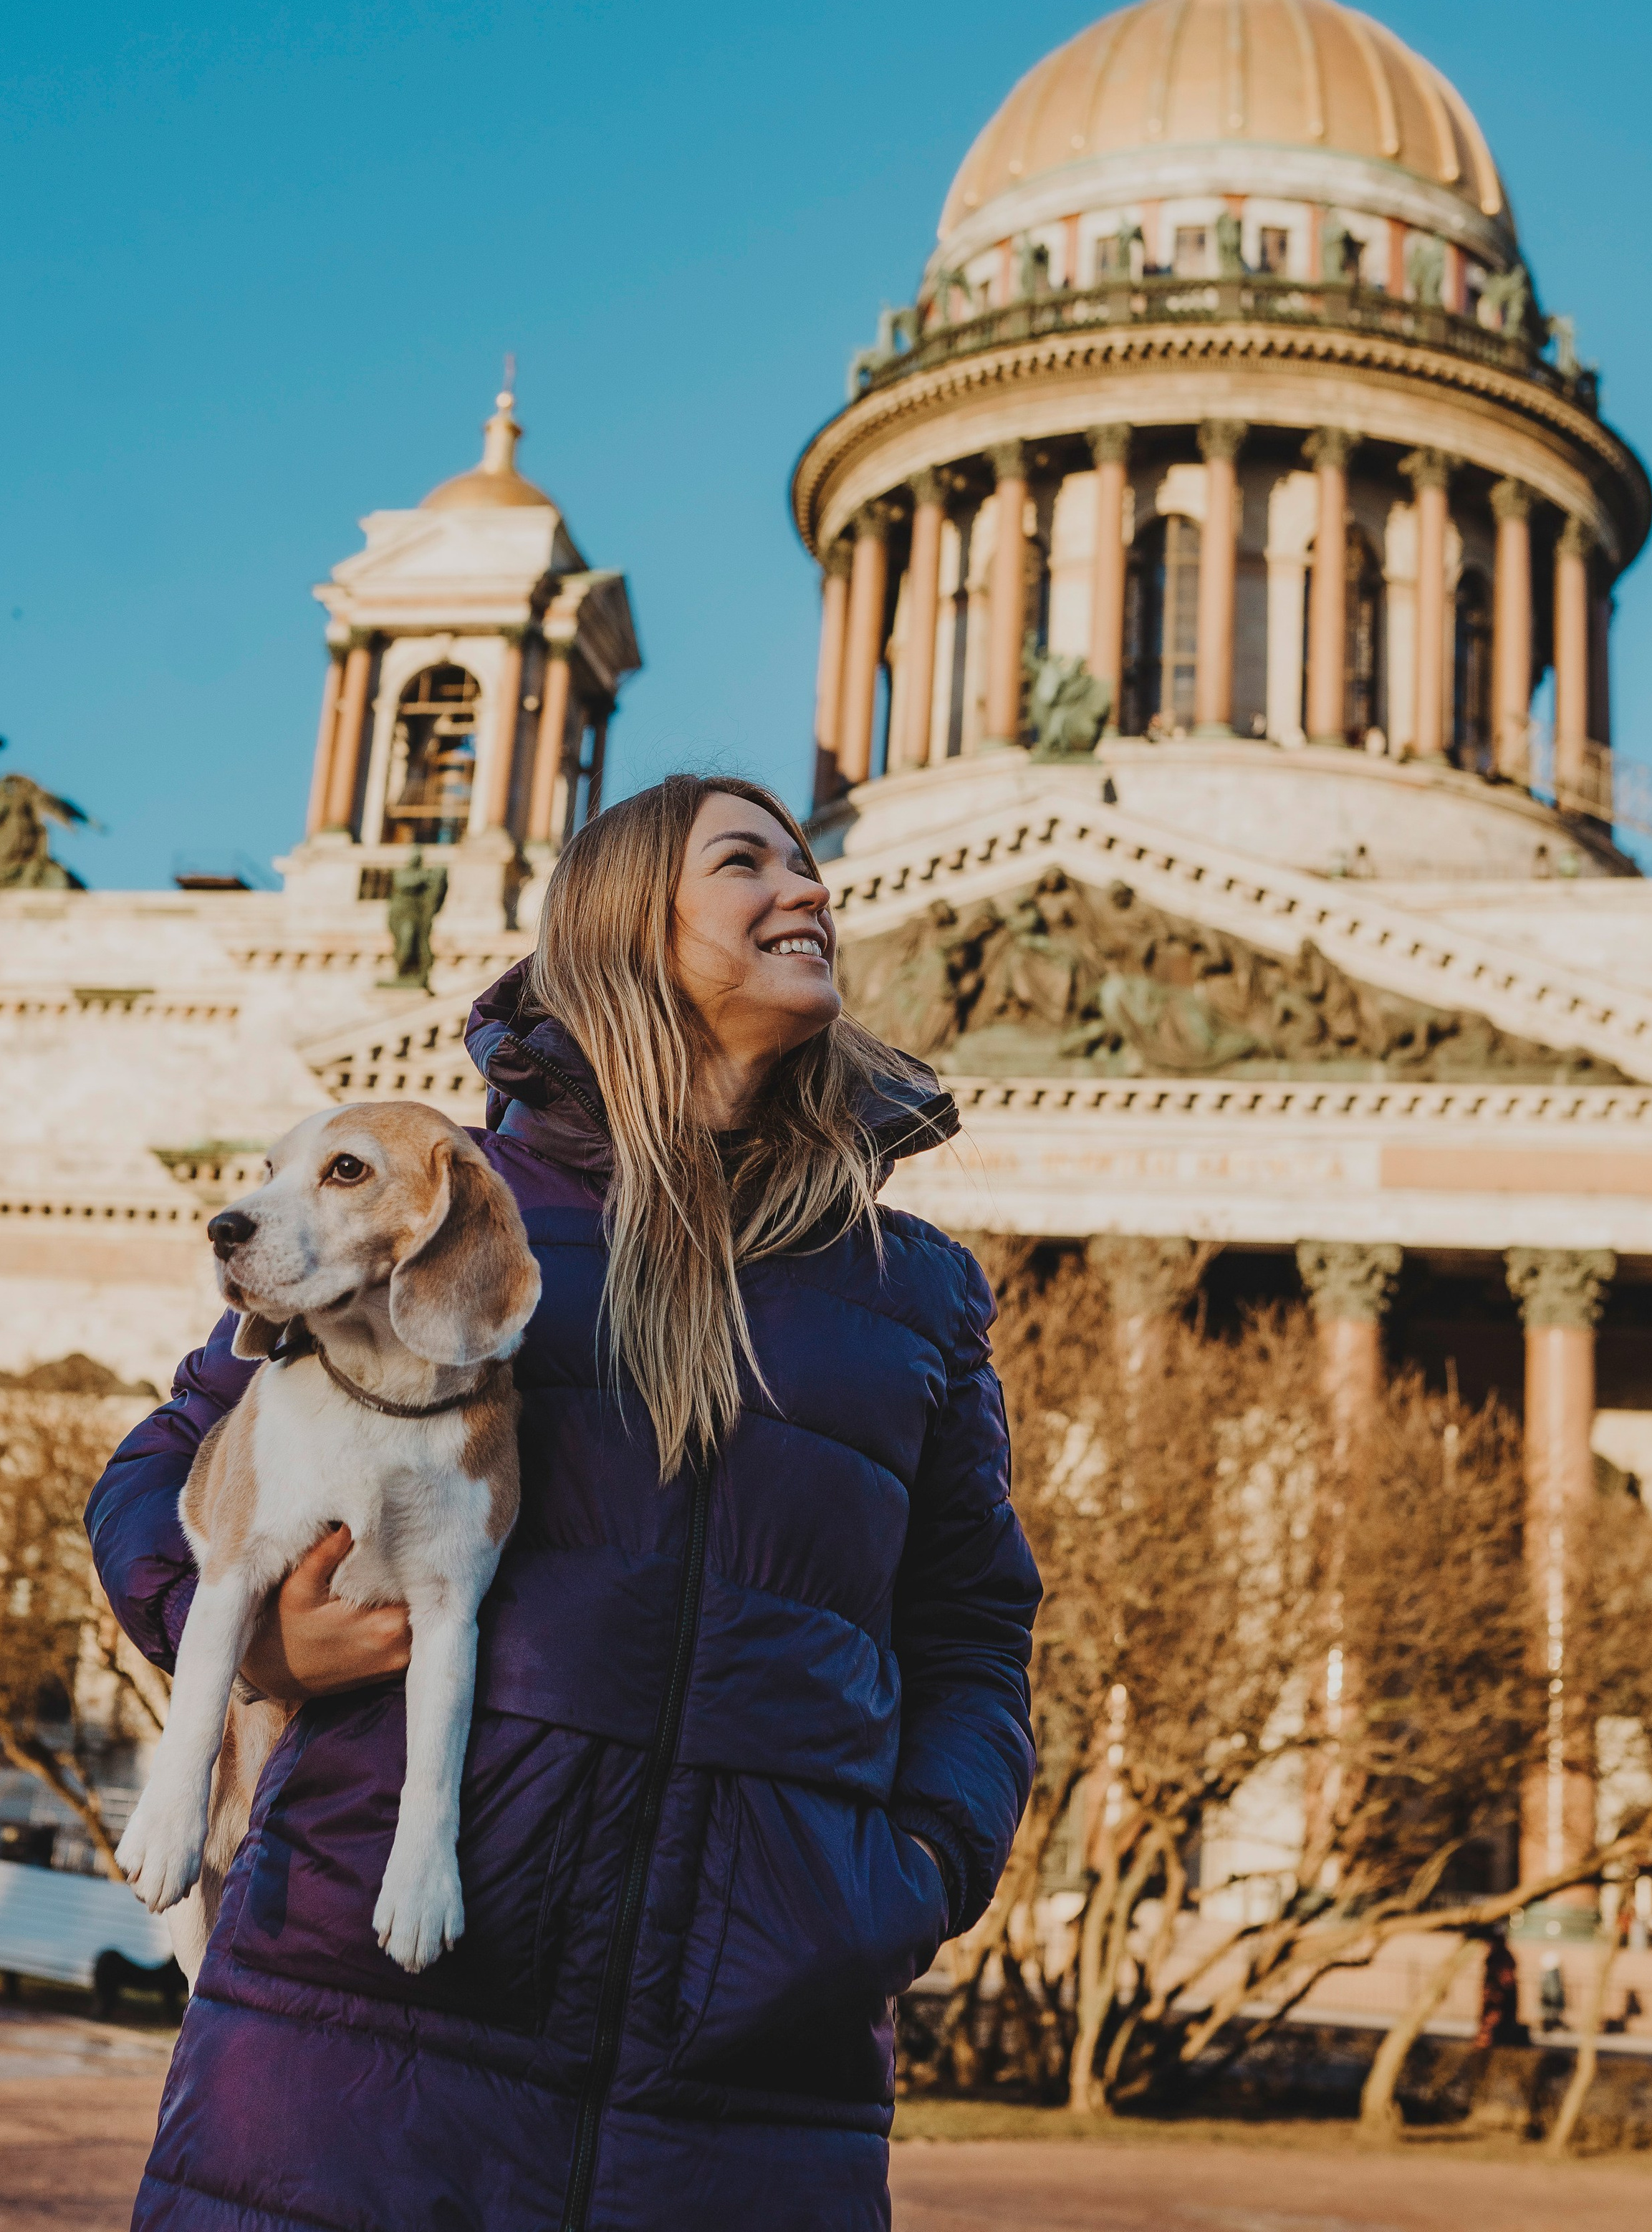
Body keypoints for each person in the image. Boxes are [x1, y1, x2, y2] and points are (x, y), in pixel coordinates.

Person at [88, 773, 1039, 2231]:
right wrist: (250, 1628)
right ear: (619, 930)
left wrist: (908, 1871)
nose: (813, 888)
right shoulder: (439, 1203)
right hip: (364, 2041)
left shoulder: (911, 1292)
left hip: (743, 2081)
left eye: (806, 865)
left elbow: (972, 1626)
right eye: (747, 863)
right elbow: (171, 1465)